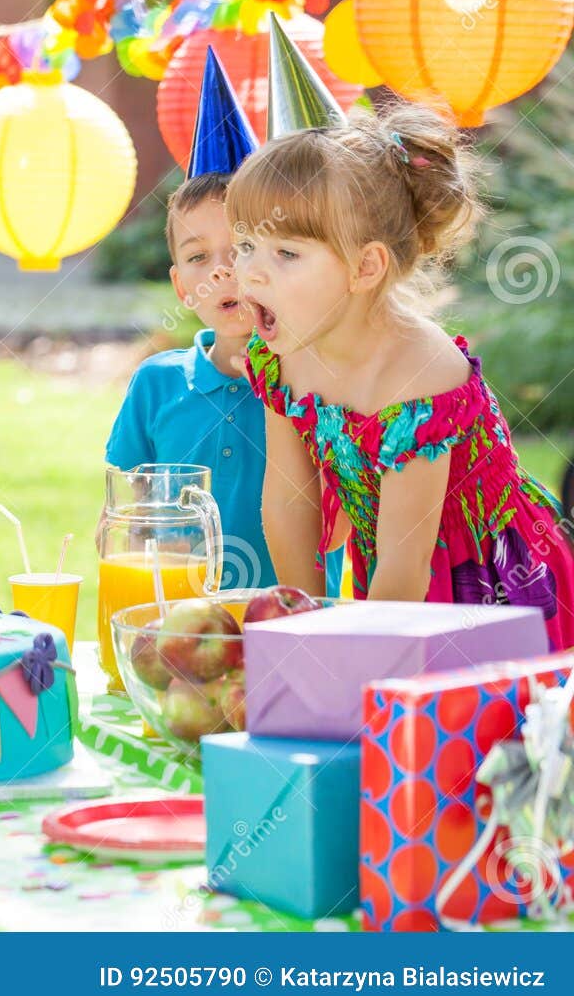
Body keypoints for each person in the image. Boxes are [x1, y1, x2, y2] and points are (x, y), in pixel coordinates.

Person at [229, 102, 574, 649]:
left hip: (489, 590)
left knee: (471, 728)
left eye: (286, 252)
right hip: (390, 589)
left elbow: (407, 564)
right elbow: (291, 499)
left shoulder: (420, 375)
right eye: (246, 245)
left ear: (366, 267)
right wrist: (301, 627)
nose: (250, 269)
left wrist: (344, 663)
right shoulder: (283, 353)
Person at [105, 48, 277, 590]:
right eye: (200, 257)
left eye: (243, 247)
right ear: (182, 286)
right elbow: (133, 520)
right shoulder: (156, 385)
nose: (223, 272)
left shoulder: (310, 386)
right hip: (176, 626)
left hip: (284, 625)